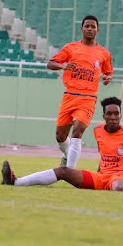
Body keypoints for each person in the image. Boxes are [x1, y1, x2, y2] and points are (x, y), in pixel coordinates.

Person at [1, 97, 123, 194]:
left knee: (118, 187)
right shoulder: (98, 130)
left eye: (117, 114)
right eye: (110, 114)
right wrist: (100, 172)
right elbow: (105, 155)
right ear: (104, 116)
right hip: (101, 178)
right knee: (63, 171)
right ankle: (16, 182)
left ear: (121, 115)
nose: (113, 117)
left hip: (120, 177)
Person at [47, 15, 113, 169]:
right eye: (87, 26)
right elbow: (50, 64)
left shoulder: (104, 53)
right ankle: (66, 155)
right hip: (69, 95)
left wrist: (107, 78)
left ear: (98, 30)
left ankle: (69, 172)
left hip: (88, 97)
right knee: (60, 136)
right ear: (81, 28)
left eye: (93, 27)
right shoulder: (70, 48)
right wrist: (64, 66)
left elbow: (108, 72)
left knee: (77, 132)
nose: (90, 29)